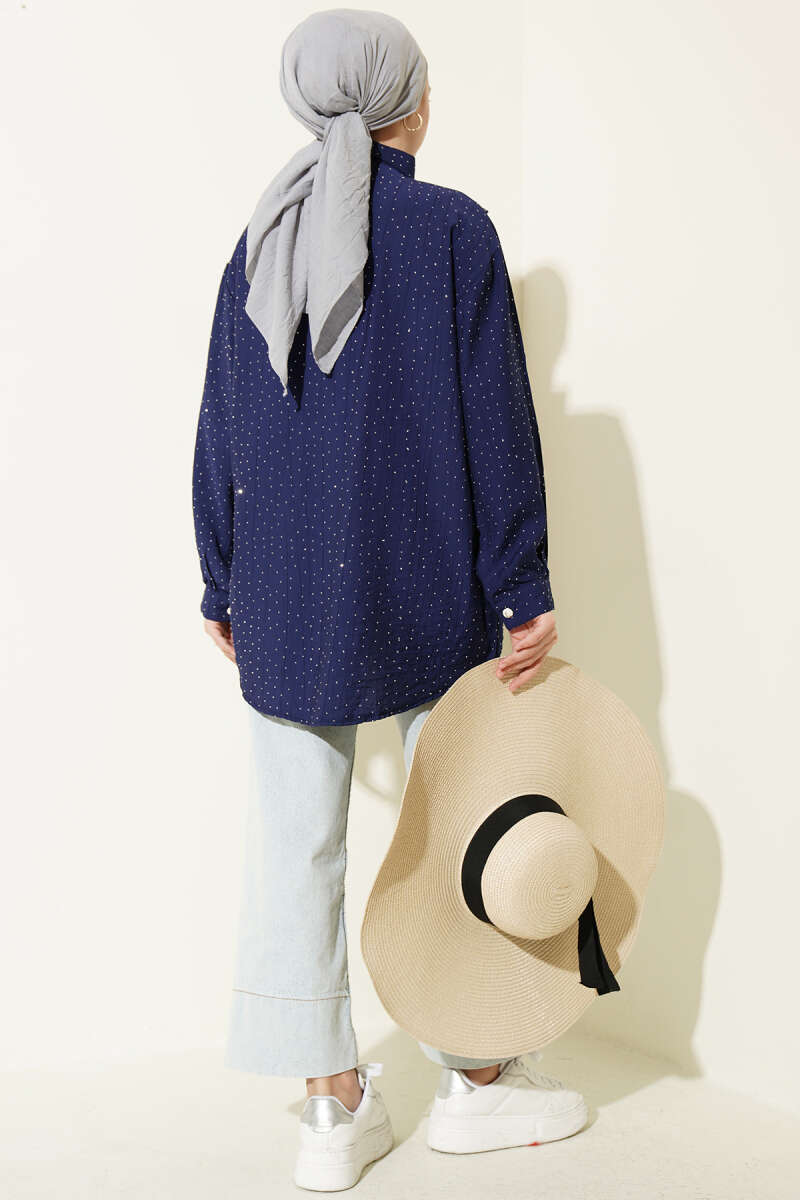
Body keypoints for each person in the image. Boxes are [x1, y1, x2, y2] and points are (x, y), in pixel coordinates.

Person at [192, 9, 573, 1191]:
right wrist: (520, 583)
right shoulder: (453, 231)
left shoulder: (258, 238)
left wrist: (219, 574)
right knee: (454, 829)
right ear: (407, 102)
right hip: (429, 579)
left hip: (281, 587)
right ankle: (474, 1077)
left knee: (295, 844)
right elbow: (496, 420)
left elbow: (222, 423)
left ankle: (329, 1106)